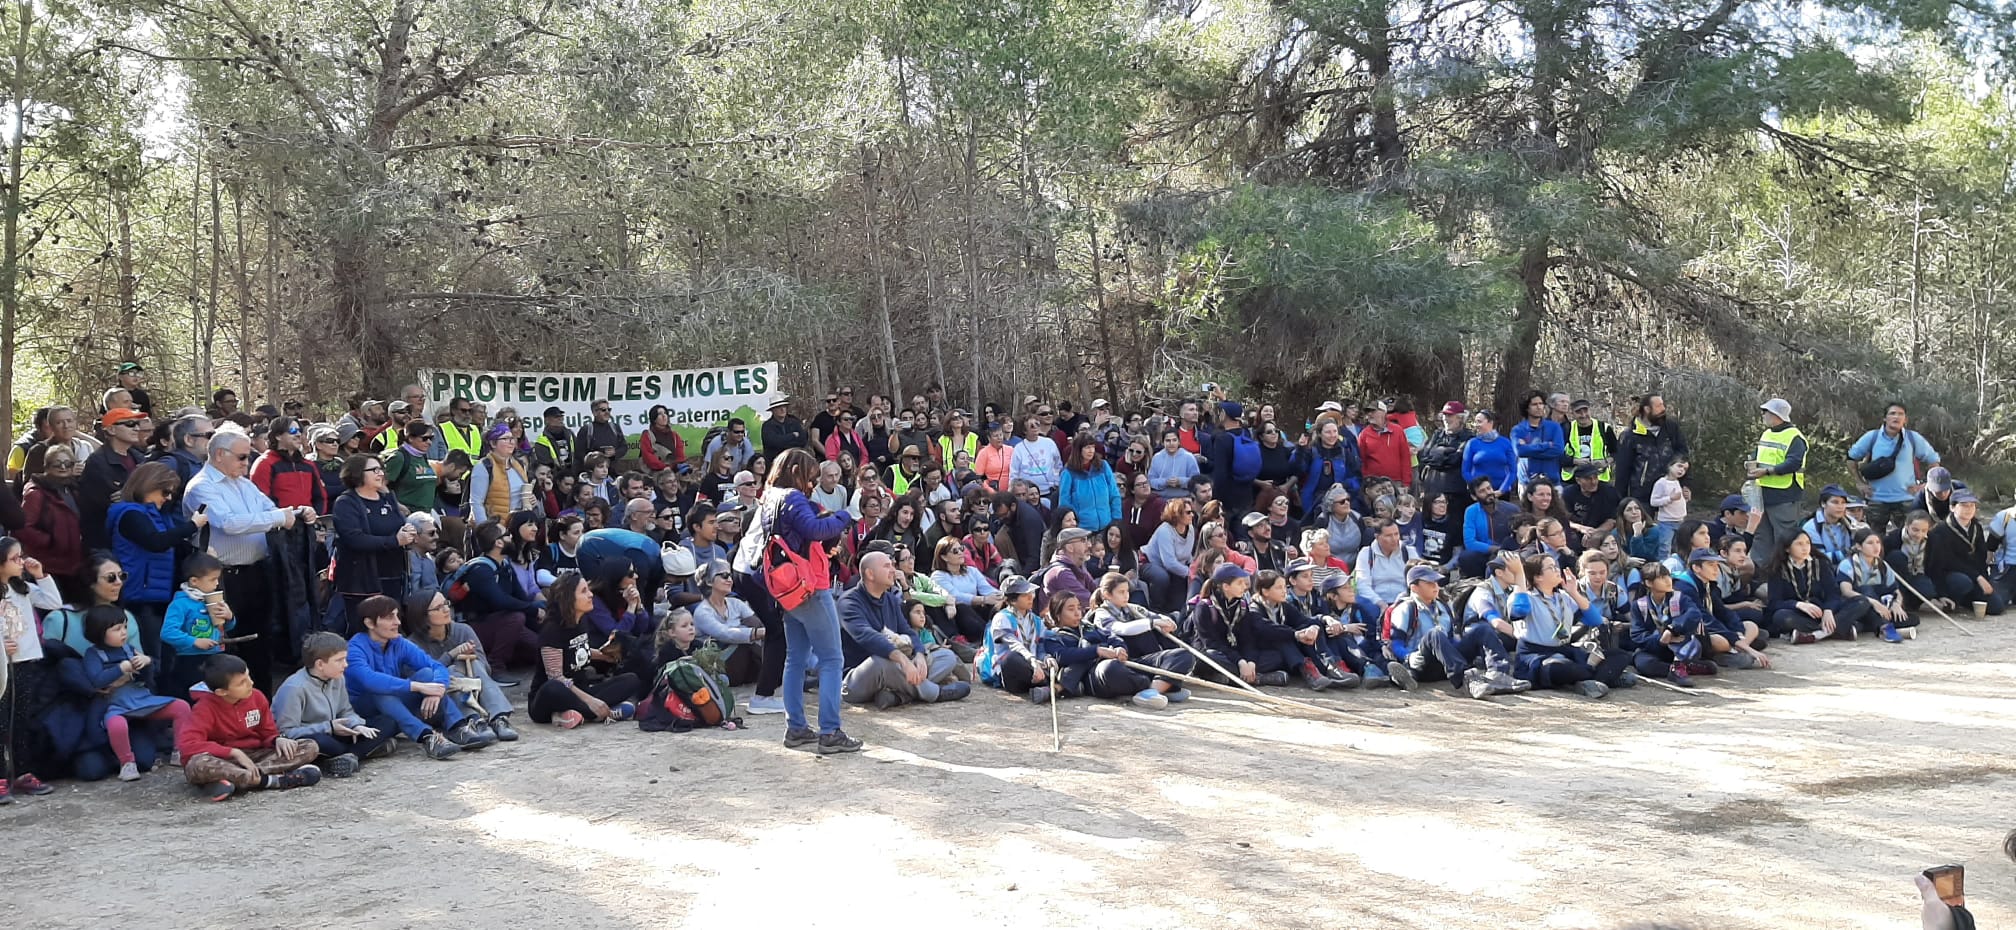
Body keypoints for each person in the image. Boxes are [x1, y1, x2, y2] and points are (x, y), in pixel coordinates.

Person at [736, 446, 861, 753]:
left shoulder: (768, 498)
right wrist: (847, 515)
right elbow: (816, 529)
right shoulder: (791, 497)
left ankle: (797, 729)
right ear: (796, 472)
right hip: (809, 587)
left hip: (787, 589)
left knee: (795, 658)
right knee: (833, 659)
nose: (812, 484)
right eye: (810, 478)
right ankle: (830, 733)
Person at [182, 430, 315, 693]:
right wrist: (279, 518)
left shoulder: (243, 483)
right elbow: (228, 523)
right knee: (225, 643)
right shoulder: (201, 486)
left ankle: (262, 703)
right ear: (220, 455)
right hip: (220, 579)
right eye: (243, 457)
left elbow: (269, 509)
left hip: (256, 572)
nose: (247, 463)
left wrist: (297, 512)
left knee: (260, 641)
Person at [346, 593, 496, 759]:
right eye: (390, 618)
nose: (398, 622)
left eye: (397, 616)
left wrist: (437, 689)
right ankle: (428, 737)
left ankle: (457, 728)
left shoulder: (398, 642)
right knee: (381, 693)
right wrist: (419, 687)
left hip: (396, 706)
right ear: (369, 623)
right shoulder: (355, 648)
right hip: (366, 713)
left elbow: (436, 666)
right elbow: (369, 680)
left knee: (426, 674)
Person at [178, 654, 323, 801]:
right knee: (197, 764)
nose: (251, 683)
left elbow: (267, 732)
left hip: (255, 758)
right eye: (242, 683)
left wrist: (277, 739)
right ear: (221, 692)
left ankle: (240, 780)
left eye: (248, 676)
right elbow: (188, 745)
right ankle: (272, 781)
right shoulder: (204, 708)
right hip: (222, 760)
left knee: (309, 746)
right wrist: (233, 752)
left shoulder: (257, 697)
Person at [839, 551, 972, 709]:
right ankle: (935, 693)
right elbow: (868, 637)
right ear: (870, 574)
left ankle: (898, 696)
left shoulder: (889, 599)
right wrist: (902, 659)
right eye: (887, 566)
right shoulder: (849, 602)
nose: (893, 571)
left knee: (946, 656)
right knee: (881, 662)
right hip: (857, 679)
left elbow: (907, 630)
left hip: (897, 668)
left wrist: (919, 653)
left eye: (893, 566)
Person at [79, 606, 194, 781]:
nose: (123, 632)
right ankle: (127, 763)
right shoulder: (93, 654)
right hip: (115, 703)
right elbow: (97, 680)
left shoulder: (129, 648)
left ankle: (180, 751)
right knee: (117, 725)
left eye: (124, 627)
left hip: (141, 698)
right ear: (99, 632)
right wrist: (120, 668)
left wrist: (147, 661)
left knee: (181, 707)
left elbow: (153, 672)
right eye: (116, 629)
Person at [1384, 565, 1526, 699]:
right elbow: (1395, 643)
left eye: (1436, 582)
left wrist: (1467, 646)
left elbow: (1451, 639)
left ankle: (1499, 673)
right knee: (1435, 634)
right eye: (1429, 583)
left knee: (1482, 629)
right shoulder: (1405, 609)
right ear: (1414, 588)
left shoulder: (1443, 607)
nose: (1436, 587)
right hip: (1422, 663)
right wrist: (1408, 657)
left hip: (1447, 662)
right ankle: (1466, 680)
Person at [273, 631, 395, 778]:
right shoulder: (294, 688)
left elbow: (346, 711)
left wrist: (356, 725)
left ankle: (349, 756)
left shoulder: (337, 678)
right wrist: (329, 727)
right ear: (320, 664)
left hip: (337, 732)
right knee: (320, 741)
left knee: (390, 720)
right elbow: (287, 732)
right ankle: (364, 750)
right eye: (339, 660)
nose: (346, 665)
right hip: (316, 737)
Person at [401, 591, 519, 740]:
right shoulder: (412, 644)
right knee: (449, 671)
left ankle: (499, 718)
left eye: (446, 604)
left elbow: (485, 667)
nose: (446, 609)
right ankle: (473, 720)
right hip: (438, 703)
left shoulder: (463, 630)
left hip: (475, 687)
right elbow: (423, 677)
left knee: (473, 663)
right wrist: (451, 655)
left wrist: (462, 662)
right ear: (422, 616)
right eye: (438, 607)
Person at [1504, 552, 1610, 697]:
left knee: (1618, 656)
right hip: (1537, 653)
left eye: (1556, 566)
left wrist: (1574, 592)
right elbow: (1519, 611)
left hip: (1564, 649)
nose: (1557, 570)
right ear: (1538, 577)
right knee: (1557, 667)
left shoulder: (1563, 597)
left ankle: (1585, 677)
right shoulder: (1524, 596)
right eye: (1551, 567)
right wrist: (1520, 576)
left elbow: (1595, 620)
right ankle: (1596, 675)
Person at [332, 453, 418, 629]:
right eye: (374, 470)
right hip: (362, 580)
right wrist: (394, 541)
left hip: (393, 575)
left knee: (391, 627)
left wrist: (407, 533)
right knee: (367, 629)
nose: (380, 474)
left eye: (381, 469)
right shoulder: (346, 503)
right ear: (357, 473)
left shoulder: (387, 499)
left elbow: (397, 526)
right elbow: (354, 539)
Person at [1847, 401, 1938, 537]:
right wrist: (1859, 483)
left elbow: (1934, 461)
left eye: (1900, 414)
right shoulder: (1872, 437)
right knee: (1874, 538)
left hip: (1906, 499)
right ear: (1885, 418)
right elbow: (1851, 458)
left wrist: (1924, 485)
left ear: (1905, 419)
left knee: (1910, 537)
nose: (1896, 417)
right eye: (1892, 413)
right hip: (1876, 499)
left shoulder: (1913, 438)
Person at [1746, 398, 1808, 570]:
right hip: (1762, 494)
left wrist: (1767, 471)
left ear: (1776, 415)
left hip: (1784, 496)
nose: (1763, 415)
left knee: (1785, 537)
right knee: (1761, 536)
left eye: (1766, 412)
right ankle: (1760, 574)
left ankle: (1786, 572)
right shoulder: (1767, 433)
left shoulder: (1795, 437)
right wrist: (1750, 464)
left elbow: (1793, 463)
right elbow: (1757, 455)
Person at [78, 408, 152, 552]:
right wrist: (141, 493)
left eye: (138, 424)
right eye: (130, 424)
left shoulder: (139, 457)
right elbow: (110, 501)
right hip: (108, 542)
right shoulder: (97, 462)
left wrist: (131, 494)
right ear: (111, 430)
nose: (137, 428)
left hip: (137, 536)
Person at [1928, 490, 2005, 617]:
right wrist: (1978, 577)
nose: (1968, 509)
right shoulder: (1941, 531)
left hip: (1974, 575)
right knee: (1962, 582)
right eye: (1964, 505)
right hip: (1952, 576)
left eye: (1972, 505)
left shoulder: (1976, 527)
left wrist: (1984, 578)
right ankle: (1953, 599)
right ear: (1952, 507)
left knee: (1996, 607)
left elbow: (1981, 557)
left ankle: (1967, 600)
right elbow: (1948, 562)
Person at [977, 574, 1051, 701]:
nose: (1030, 597)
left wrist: (1046, 658)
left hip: (1035, 667)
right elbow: (1013, 644)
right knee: (1012, 658)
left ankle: (1045, 684)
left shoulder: (1036, 620)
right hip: (1013, 672)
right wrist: (1032, 661)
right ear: (1012, 600)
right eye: (1024, 595)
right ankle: (1048, 684)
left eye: (1031, 593)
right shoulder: (1002, 618)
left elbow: (1041, 647)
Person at [689, 561, 764, 685]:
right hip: (719, 666)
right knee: (745, 644)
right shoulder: (702, 612)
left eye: (730, 575)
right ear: (709, 581)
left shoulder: (735, 603)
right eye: (724, 576)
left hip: (742, 664)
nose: (730, 579)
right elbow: (725, 634)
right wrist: (757, 633)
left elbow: (756, 622)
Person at [1839, 529, 1915, 643]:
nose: (1875, 547)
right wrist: (1873, 602)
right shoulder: (1847, 564)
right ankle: (1884, 627)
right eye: (1870, 543)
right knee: (1867, 590)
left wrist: (1896, 604)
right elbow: (1846, 591)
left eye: (1878, 542)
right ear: (1859, 546)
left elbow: (1895, 590)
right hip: (1858, 605)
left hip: (1880, 608)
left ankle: (1861, 627)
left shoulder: (1883, 565)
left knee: (1911, 619)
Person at [1614, 394, 1689, 505]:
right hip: (1643, 497)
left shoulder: (1671, 427)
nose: (1663, 409)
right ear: (1647, 409)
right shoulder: (1629, 436)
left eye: (1663, 405)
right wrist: (1621, 503)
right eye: (1658, 406)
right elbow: (1622, 472)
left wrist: (1685, 484)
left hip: (1671, 492)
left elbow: (1683, 455)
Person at [1057, 435, 1121, 534]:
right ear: (1078, 450)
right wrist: (1073, 525)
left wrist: (1116, 519)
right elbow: (1064, 504)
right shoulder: (1069, 473)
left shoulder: (1103, 466)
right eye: (1087, 447)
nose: (1091, 450)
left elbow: (1114, 494)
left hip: (1107, 527)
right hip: (1082, 529)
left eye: (1092, 447)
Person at [1510, 391, 1566, 487]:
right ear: (1527, 408)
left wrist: (1529, 449)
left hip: (1552, 482)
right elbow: (1520, 452)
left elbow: (1558, 450)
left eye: (1541, 404)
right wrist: (1547, 445)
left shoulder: (1554, 427)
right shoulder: (1518, 430)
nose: (1539, 407)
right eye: (1534, 404)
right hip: (1527, 483)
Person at [1356, 401, 1411, 486]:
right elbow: (1361, 460)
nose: (1369, 414)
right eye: (1368, 412)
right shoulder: (1364, 434)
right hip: (1374, 483)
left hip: (1395, 482)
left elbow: (1405, 458)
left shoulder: (1398, 430)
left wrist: (1406, 483)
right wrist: (1366, 480)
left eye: (1373, 411)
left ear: (1383, 412)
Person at [1801, 484, 1857, 565]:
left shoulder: (1852, 523)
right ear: (1823, 504)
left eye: (1843, 502)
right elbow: (1819, 559)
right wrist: (1850, 551)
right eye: (1835, 502)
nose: (1840, 506)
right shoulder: (1811, 527)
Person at [1648, 458, 1690, 559]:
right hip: (1667, 522)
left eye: (1684, 469)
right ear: (1670, 466)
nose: (1681, 470)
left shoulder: (1678, 482)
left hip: (1680, 520)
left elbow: (1679, 501)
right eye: (1679, 466)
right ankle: (1663, 566)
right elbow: (1653, 502)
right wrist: (1670, 498)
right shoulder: (1661, 483)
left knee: (1679, 546)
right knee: (1664, 547)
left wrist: (1686, 498)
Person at [574, 399, 627, 469]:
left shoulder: (615, 427)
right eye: (603, 410)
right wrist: (594, 457)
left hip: (613, 470)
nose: (607, 412)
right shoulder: (586, 429)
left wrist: (615, 453)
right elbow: (579, 453)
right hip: (593, 472)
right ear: (594, 412)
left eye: (609, 409)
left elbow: (624, 447)